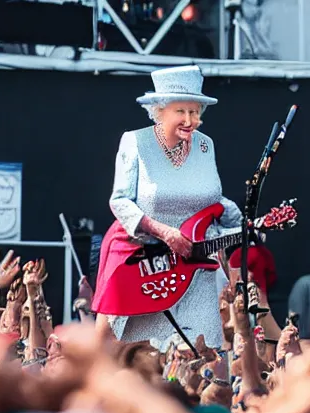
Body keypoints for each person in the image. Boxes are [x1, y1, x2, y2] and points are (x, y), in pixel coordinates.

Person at [92, 65, 242, 349]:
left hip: (194, 264)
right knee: (134, 354)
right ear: (159, 110)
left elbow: (214, 199)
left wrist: (243, 225)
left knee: (202, 350)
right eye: (181, 112)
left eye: (195, 112)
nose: (190, 120)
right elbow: (120, 200)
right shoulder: (135, 141)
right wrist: (165, 232)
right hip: (142, 259)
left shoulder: (205, 146)